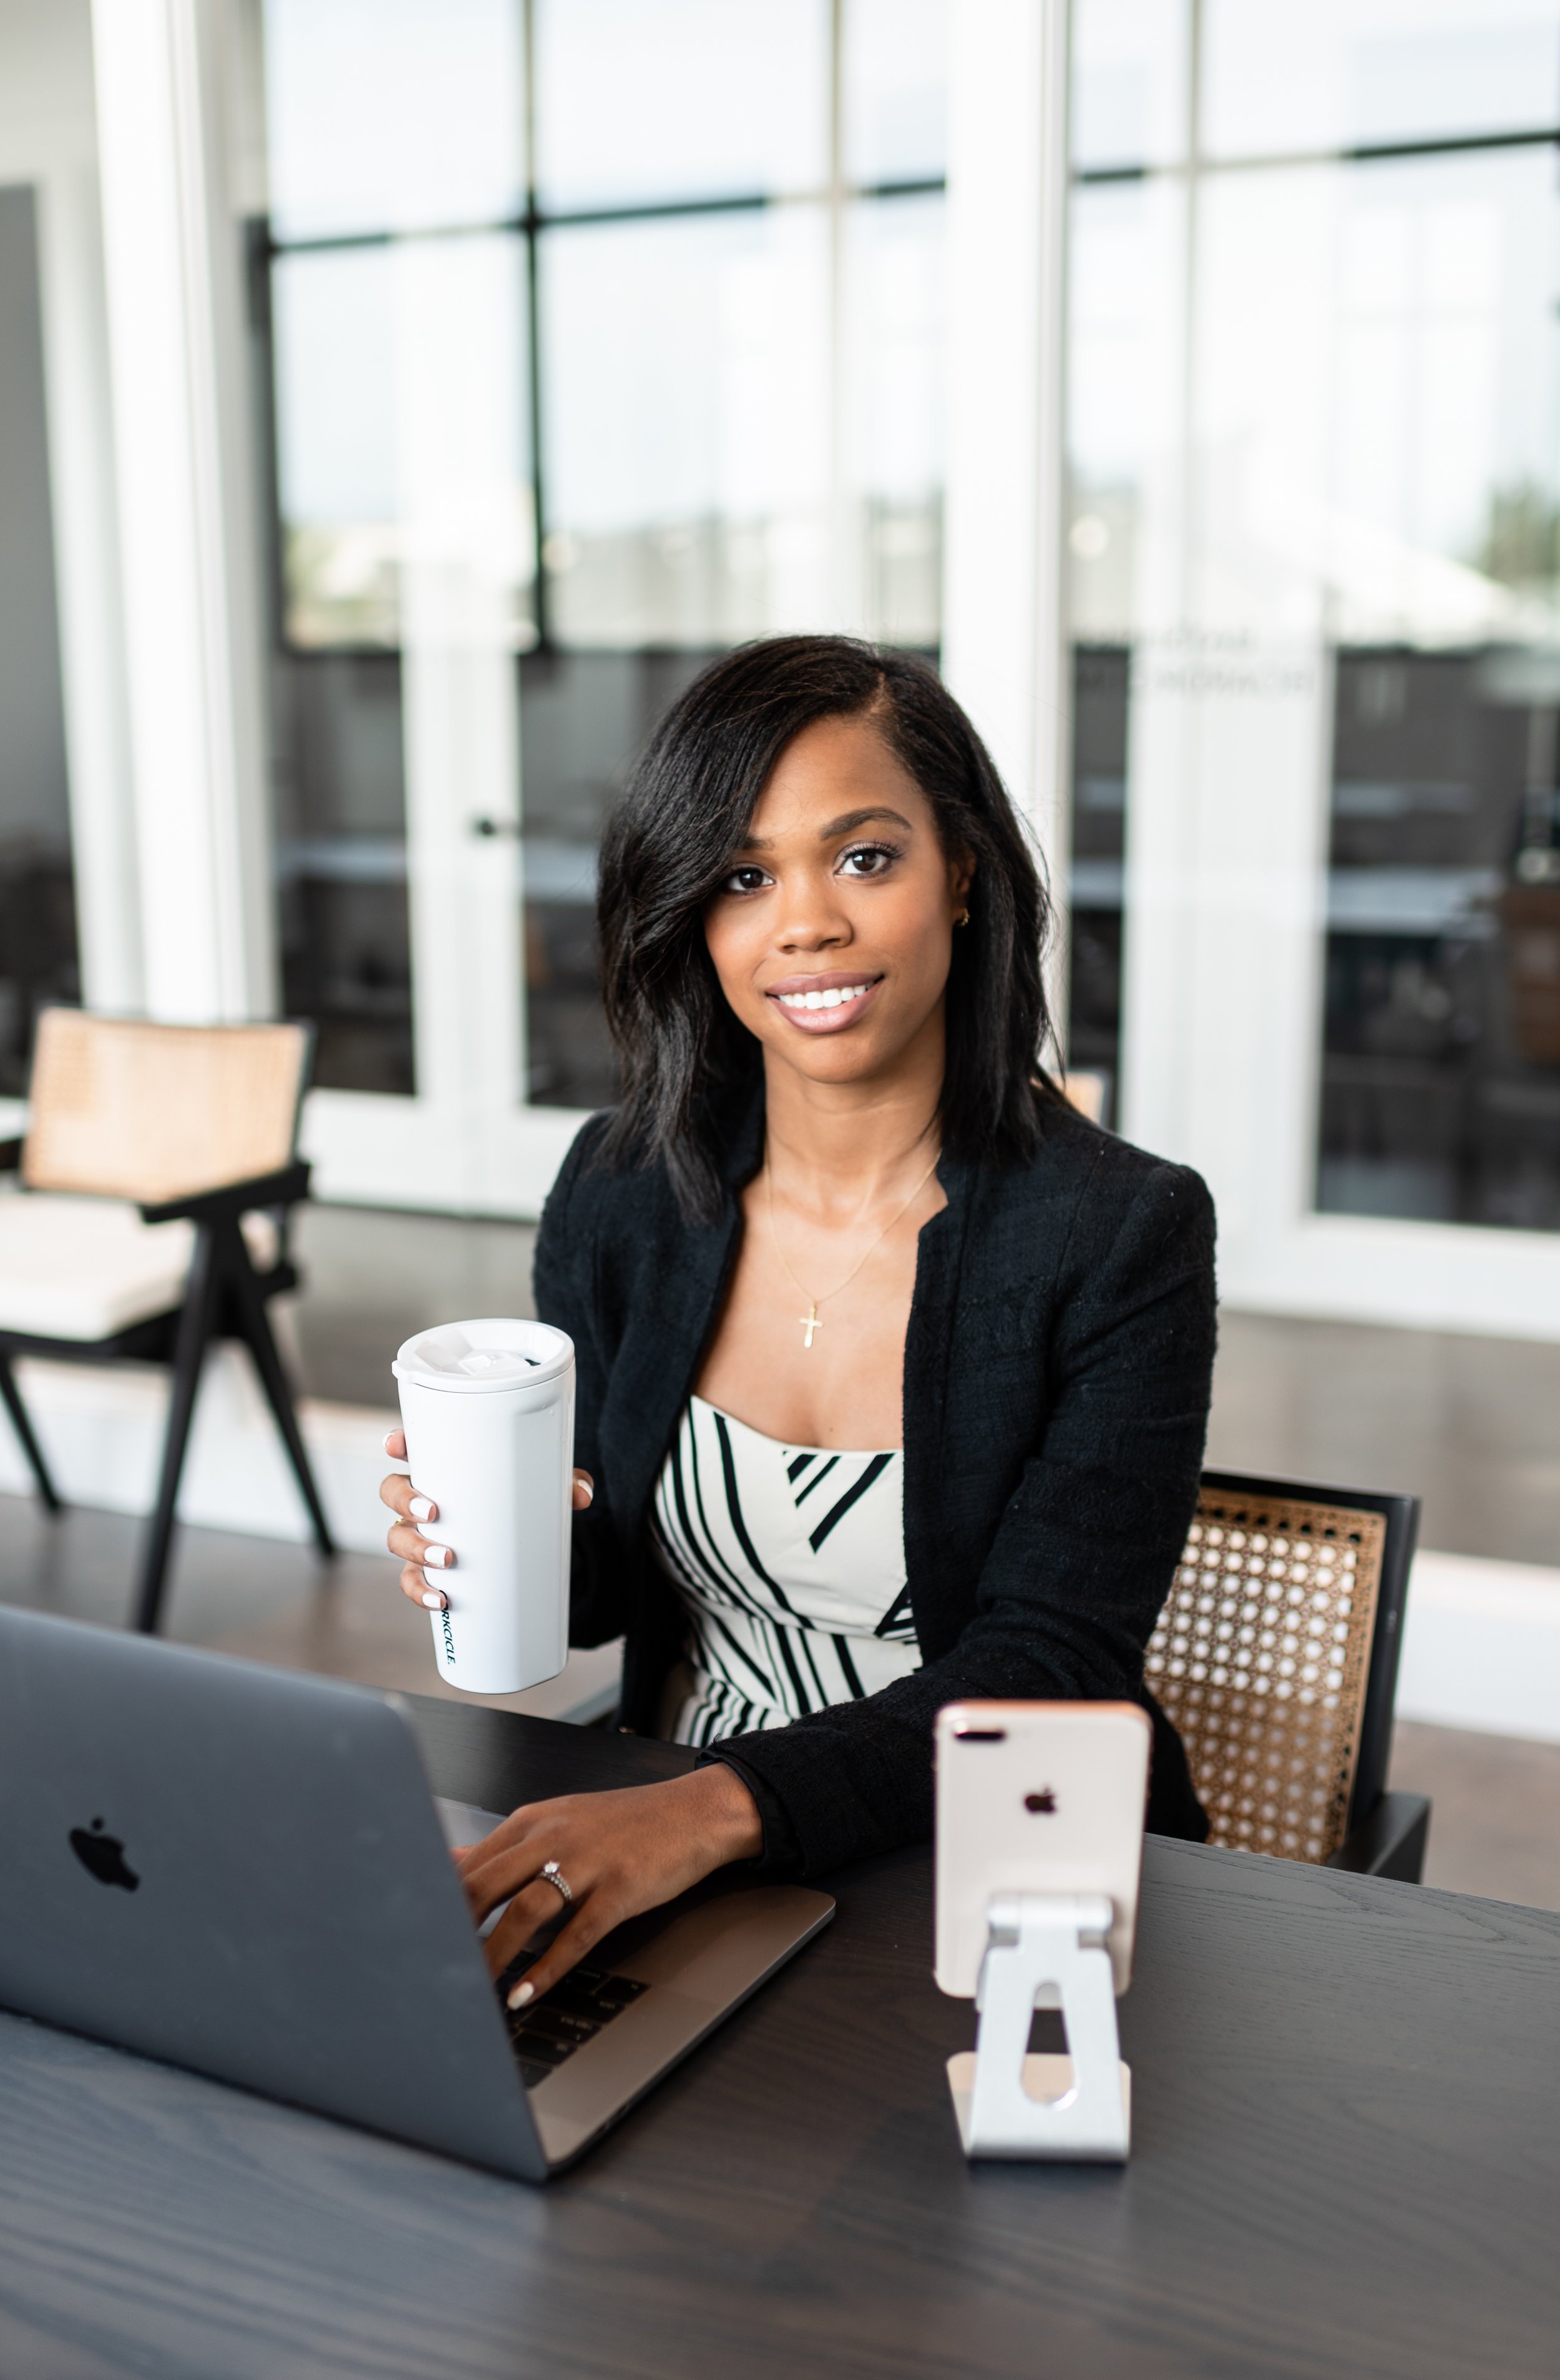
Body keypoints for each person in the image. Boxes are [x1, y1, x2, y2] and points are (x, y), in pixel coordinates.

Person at [381, 635, 1216, 2011]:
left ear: (962, 874)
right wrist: (503, 1539)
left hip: (992, 1870)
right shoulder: (620, 1192)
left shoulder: (1119, 1234)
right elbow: (613, 1598)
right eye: (743, 876)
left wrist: (706, 1813)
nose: (805, 924)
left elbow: (1050, 1665)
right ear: (691, 920)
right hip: (674, 1851)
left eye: (864, 857)